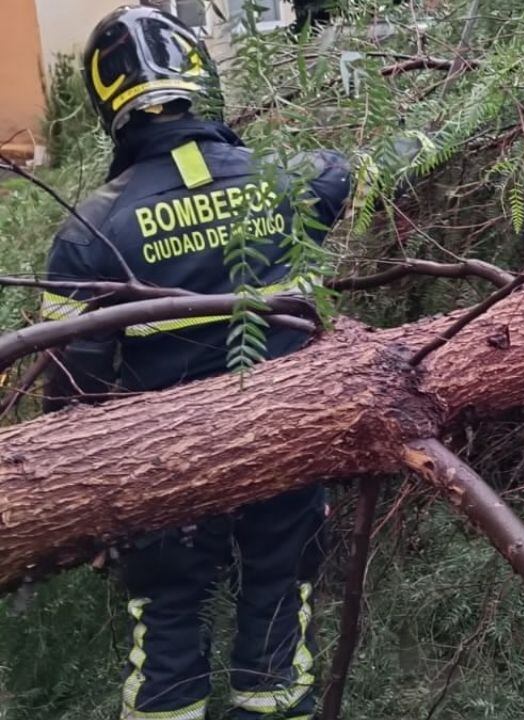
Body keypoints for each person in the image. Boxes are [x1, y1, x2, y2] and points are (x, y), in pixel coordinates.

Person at [40, 7, 350, 719]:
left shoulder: (91, 230)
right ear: (200, 79)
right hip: (286, 439)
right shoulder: (298, 179)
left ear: (105, 106)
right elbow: (353, 176)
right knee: (278, 615)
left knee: (169, 626)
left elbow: (74, 387)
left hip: (162, 462)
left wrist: (87, 497)